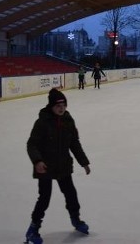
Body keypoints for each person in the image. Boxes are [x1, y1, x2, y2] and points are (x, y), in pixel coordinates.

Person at [25, 88, 91, 244]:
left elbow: (74, 143)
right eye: (58, 105)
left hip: (63, 165)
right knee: (44, 198)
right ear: (51, 106)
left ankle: (76, 219)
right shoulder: (42, 122)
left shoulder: (68, 120)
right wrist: (37, 161)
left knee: (71, 194)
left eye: (63, 105)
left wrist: (84, 162)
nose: (61, 108)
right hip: (45, 166)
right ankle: (33, 229)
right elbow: (31, 144)